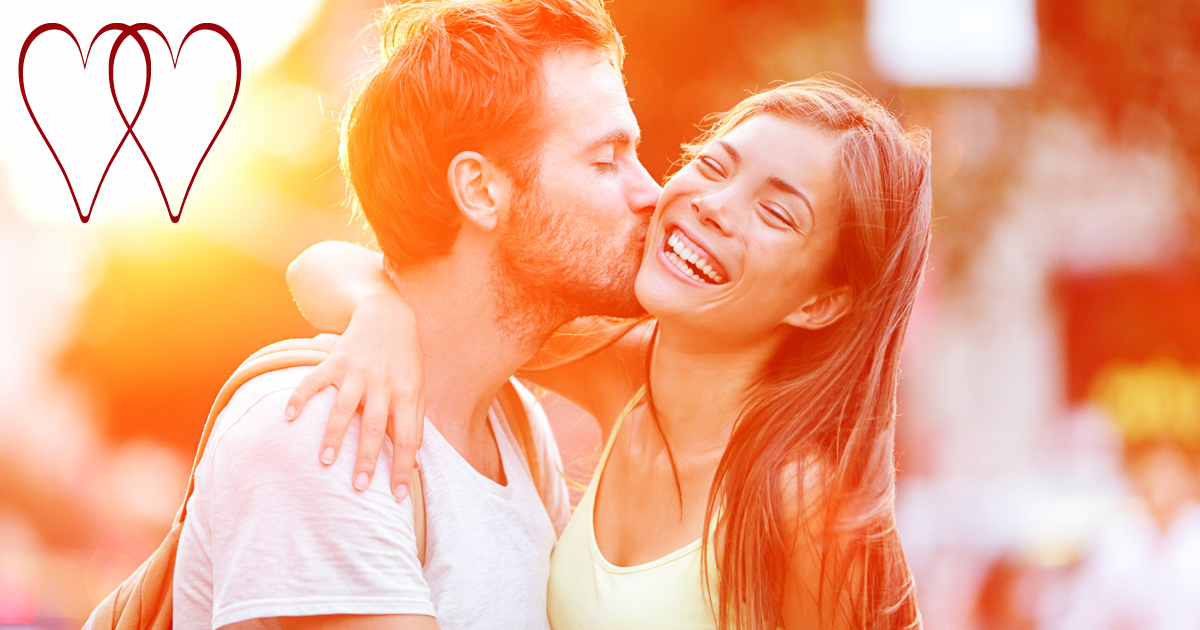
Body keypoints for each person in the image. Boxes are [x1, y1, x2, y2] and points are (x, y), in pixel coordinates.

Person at [286, 78, 932, 629]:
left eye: (775, 213)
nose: (714, 208)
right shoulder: (624, 368)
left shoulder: (799, 501)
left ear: (819, 302)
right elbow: (322, 267)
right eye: (714, 165)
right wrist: (379, 313)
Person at [171, 1, 661, 629]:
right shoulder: (324, 430)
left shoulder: (516, 429)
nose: (650, 192)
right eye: (606, 159)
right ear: (482, 191)